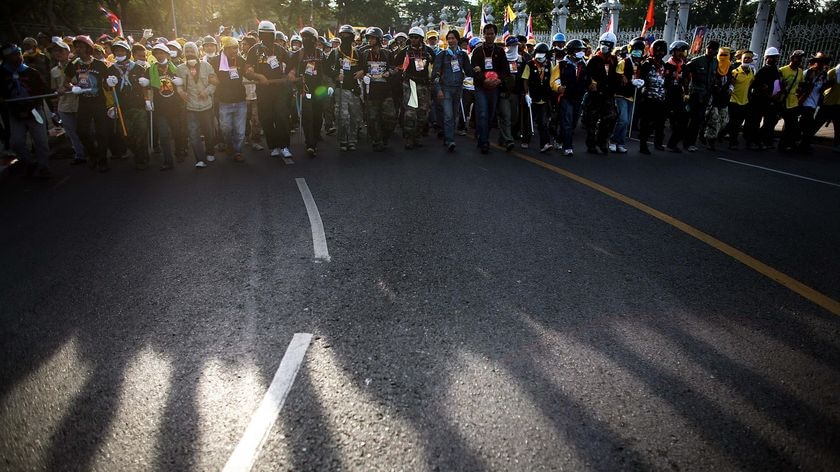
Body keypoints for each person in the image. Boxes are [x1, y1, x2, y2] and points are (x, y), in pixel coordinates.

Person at [64, 35, 118, 172]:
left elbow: (107, 84)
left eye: (81, 46)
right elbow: (66, 82)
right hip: (83, 102)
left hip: (99, 102)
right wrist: (72, 87)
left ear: (88, 48)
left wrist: (111, 81)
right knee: (81, 131)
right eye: (76, 47)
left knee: (102, 132)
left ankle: (102, 160)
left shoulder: (100, 65)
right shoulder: (74, 64)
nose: (78, 49)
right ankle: (93, 155)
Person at [1, 43, 51, 178]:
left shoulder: (32, 72)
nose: (17, 57)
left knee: (41, 141)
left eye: (18, 54)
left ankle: (43, 167)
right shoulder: (1, 74)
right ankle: (29, 162)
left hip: (34, 110)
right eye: (12, 56)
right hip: (14, 113)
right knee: (15, 142)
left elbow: (43, 90)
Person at [245, 20, 295, 159]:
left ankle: (284, 146)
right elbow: (247, 70)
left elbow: (292, 64)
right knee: (266, 118)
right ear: (260, 34)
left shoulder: (280, 49)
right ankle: (273, 146)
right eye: (264, 34)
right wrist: (259, 76)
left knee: (281, 117)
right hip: (263, 90)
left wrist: (291, 73)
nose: (267, 37)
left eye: (269, 34)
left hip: (280, 89)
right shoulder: (253, 50)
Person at [110, 40, 151, 170]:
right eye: (116, 51)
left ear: (127, 52)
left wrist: (147, 97)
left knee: (141, 133)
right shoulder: (111, 69)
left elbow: (147, 87)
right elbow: (106, 88)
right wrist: (108, 82)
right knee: (126, 135)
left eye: (121, 50)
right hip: (122, 107)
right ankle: (137, 153)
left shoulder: (138, 68)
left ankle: (141, 158)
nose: (119, 53)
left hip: (138, 106)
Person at [176, 42, 217, 168]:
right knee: (193, 134)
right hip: (190, 107)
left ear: (197, 52)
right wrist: (180, 91)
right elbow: (179, 84)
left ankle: (210, 151)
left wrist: (207, 91)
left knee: (209, 132)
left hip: (206, 106)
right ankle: (200, 159)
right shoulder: (180, 68)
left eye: (191, 51)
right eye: (187, 51)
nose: (189, 54)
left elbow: (214, 83)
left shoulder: (207, 66)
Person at [208, 36, 249, 162]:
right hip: (224, 102)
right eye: (231, 48)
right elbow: (208, 76)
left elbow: (249, 72)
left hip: (240, 101)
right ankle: (229, 144)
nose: (234, 51)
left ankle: (237, 151)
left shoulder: (241, 61)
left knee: (240, 131)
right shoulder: (214, 61)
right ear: (224, 49)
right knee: (225, 129)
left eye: (236, 48)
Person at [470, 23, 509, 154]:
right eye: (487, 33)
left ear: (495, 35)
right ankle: (484, 142)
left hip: (494, 87)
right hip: (481, 87)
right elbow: (474, 69)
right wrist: (484, 80)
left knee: (491, 115)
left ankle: (482, 135)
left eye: (492, 33)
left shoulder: (500, 51)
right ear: (483, 35)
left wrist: (498, 80)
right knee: (483, 113)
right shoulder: (477, 51)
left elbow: (505, 70)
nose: (490, 36)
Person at [393, 26, 433, 150]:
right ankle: (409, 138)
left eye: (416, 37)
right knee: (410, 113)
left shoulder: (429, 52)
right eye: (411, 37)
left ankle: (418, 136)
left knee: (423, 114)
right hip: (410, 84)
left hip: (424, 85)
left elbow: (435, 66)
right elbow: (396, 65)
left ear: (421, 38)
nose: (413, 40)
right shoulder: (404, 51)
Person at [146, 43, 184, 170]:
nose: (159, 55)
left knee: (177, 132)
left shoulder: (176, 68)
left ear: (167, 55)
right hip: (160, 107)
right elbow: (148, 87)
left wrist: (181, 83)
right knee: (163, 134)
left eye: (162, 53)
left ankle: (179, 152)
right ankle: (168, 160)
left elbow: (184, 85)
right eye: (156, 53)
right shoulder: (150, 69)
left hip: (174, 106)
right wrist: (148, 100)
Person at [327, 25, 364, 152]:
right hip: (340, 89)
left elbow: (364, 67)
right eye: (343, 35)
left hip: (354, 88)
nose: (346, 37)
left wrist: (361, 72)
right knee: (342, 116)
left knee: (354, 116)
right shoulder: (335, 52)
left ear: (353, 37)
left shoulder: (357, 52)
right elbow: (326, 68)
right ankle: (343, 140)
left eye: (348, 35)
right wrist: (335, 76)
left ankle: (352, 140)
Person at [292, 26, 327, 157]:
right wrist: (296, 80)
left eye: (308, 37)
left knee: (318, 115)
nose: (305, 40)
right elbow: (290, 71)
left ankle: (316, 136)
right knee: (307, 115)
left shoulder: (321, 54)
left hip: (319, 90)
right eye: (303, 37)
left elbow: (328, 71)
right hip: (305, 89)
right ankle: (310, 144)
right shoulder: (298, 54)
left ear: (314, 39)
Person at [49, 38, 86, 165]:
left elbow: (85, 83)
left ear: (67, 51)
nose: (57, 53)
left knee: (84, 130)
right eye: (55, 51)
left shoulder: (79, 65)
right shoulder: (53, 71)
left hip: (79, 103)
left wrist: (71, 87)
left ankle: (91, 151)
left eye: (60, 50)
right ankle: (80, 155)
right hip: (63, 105)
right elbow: (55, 89)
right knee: (71, 132)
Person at [359, 27, 396, 151]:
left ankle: (385, 137)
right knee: (372, 118)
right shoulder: (364, 53)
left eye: (373, 38)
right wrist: (364, 75)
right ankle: (377, 140)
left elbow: (394, 67)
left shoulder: (387, 53)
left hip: (386, 90)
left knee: (390, 116)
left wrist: (389, 73)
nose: (370, 40)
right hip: (371, 90)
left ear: (379, 39)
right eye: (368, 38)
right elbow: (361, 69)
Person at [434, 29, 470, 152]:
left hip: (458, 88)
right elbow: (435, 75)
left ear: (457, 40)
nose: (450, 40)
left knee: (454, 115)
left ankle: (447, 136)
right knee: (448, 115)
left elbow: (468, 71)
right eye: (448, 38)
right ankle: (450, 140)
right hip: (446, 88)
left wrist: (477, 69)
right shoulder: (442, 55)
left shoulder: (463, 55)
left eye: (453, 38)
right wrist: (438, 90)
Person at [583, 32, 619, 154]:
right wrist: (591, 84)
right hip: (595, 95)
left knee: (611, 117)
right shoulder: (594, 60)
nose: (605, 46)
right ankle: (591, 144)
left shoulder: (614, 60)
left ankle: (602, 141)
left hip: (608, 95)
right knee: (592, 120)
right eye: (603, 43)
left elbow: (615, 76)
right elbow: (587, 76)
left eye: (608, 44)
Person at [551, 39, 589, 156]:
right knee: (566, 120)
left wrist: (592, 84)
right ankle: (568, 147)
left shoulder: (583, 64)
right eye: (578, 50)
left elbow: (588, 79)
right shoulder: (561, 65)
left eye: (582, 50)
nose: (581, 52)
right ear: (572, 51)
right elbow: (554, 80)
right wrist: (558, 87)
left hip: (578, 97)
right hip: (565, 97)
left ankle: (559, 139)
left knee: (573, 122)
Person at [611, 38, 646, 154]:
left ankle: (620, 143)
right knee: (623, 120)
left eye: (640, 50)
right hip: (621, 95)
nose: (638, 52)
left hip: (632, 96)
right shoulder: (624, 62)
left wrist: (640, 82)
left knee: (628, 121)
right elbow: (619, 76)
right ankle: (613, 140)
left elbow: (639, 77)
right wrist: (629, 80)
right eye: (636, 50)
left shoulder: (639, 65)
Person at [684, 39, 719, 151]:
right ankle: (687, 143)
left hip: (706, 96)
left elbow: (713, 77)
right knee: (692, 119)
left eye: (713, 49)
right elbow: (685, 71)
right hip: (695, 94)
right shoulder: (697, 61)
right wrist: (686, 89)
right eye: (709, 48)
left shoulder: (715, 62)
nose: (711, 51)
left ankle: (691, 142)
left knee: (698, 120)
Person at [745, 47, 782, 150]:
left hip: (769, 101)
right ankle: (751, 141)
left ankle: (761, 140)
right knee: (755, 121)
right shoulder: (763, 71)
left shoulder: (775, 70)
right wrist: (766, 92)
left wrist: (776, 95)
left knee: (769, 122)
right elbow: (756, 85)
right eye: (772, 57)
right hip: (758, 100)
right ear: (767, 58)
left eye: (775, 57)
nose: (774, 59)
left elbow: (777, 84)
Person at [637, 39, 669, 154]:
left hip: (661, 98)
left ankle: (658, 143)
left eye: (662, 51)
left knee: (660, 122)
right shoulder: (647, 64)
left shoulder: (664, 66)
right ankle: (643, 145)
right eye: (658, 51)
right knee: (646, 123)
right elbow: (641, 80)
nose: (660, 53)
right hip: (648, 98)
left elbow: (667, 81)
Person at [522, 43, 553, 153]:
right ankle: (525, 140)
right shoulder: (529, 64)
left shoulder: (549, 64)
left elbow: (551, 79)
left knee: (543, 122)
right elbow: (525, 79)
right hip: (532, 97)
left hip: (543, 98)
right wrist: (526, 94)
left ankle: (545, 143)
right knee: (529, 121)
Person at [797, 52, 831, 152]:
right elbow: (800, 88)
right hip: (805, 102)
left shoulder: (824, 75)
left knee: (807, 125)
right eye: (818, 62)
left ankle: (802, 143)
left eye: (823, 62)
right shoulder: (807, 73)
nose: (820, 64)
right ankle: (802, 144)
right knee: (807, 124)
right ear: (814, 62)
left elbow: (823, 87)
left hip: (815, 103)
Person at [499, 36, 526, 150]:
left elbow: (524, 76)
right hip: (504, 93)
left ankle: (502, 137)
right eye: (512, 45)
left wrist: (524, 91)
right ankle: (508, 140)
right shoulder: (501, 58)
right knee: (506, 116)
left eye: (516, 45)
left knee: (514, 117)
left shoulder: (520, 59)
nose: (514, 47)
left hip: (516, 93)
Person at [723, 50, 755, 149]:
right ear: (741, 59)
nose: (747, 59)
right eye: (745, 57)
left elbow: (751, 84)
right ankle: (733, 142)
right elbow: (731, 85)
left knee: (737, 123)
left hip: (744, 101)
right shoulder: (735, 72)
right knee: (734, 123)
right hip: (734, 101)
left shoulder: (751, 72)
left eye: (749, 58)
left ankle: (721, 134)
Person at [663, 40, 690, 152]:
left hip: (678, 96)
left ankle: (673, 143)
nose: (681, 53)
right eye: (679, 50)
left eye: (683, 51)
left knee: (683, 119)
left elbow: (685, 81)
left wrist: (686, 93)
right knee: (659, 120)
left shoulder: (684, 67)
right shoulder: (667, 66)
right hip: (667, 96)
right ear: (673, 51)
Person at [778, 50, 806, 151]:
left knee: (792, 124)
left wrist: (800, 93)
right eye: (797, 58)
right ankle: (782, 144)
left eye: (800, 59)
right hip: (783, 100)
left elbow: (801, 85)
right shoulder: (782, 70)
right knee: (786, 123)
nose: (798, 61)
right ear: (791, 58)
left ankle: (786, 143)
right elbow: (777, 86)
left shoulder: (800, 71)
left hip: (793, 101)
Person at [816, 60, 840, 152]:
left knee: (838, 127)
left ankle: (837, 143)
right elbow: (823, 87)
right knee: (817, 123)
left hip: (838, 105)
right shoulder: (833, 72)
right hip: (828, 103)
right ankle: (805, 140)